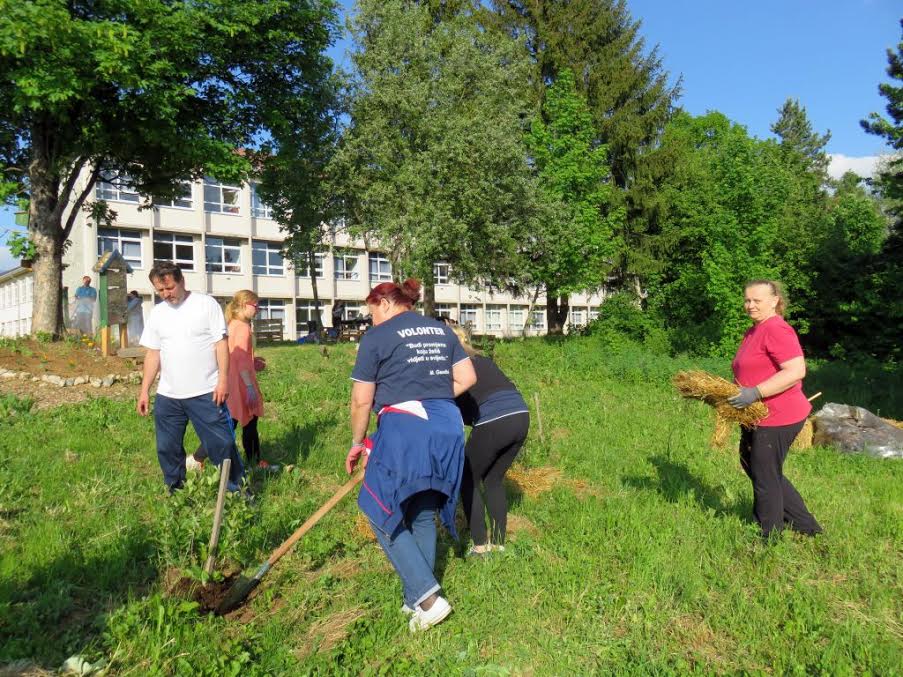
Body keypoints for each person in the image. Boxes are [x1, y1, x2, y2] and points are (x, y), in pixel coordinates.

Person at [345, 279, 476, 633]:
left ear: (385, 303)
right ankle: (414, 597)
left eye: (372, 312)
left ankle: (430, 600)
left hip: (407, 427)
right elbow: (467, 377)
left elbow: (361, 400)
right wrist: (432, 395)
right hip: (448, 425)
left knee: (378, 507)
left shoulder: (377, 337)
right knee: (422, 510)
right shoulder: (441, 330)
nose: (371, 320)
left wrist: (358, 442)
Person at [136, 262, 244, 493]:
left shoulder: (205, 305)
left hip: (206, 392)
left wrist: (223, 380)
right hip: (168, 396)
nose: (166, 294)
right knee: (167, 448)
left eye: (170, 288)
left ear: (182, 281)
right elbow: (153, 353)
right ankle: (176, 491)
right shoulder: (158, 313)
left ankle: (237, 491)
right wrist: (145, 390)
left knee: (222, 444)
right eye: (160, 290)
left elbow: (221, 344)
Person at [728, 279, 822, 540]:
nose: (750, 305)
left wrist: (755, 392)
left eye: (757, 300)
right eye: (747, 300)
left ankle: (769, 536)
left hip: (778, 415)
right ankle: (805, 526)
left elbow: (796, 371)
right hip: (756, 414)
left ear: (774, 301)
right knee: (757, 467)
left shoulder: (776, 329)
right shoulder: (754, 330)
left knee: (764, 474)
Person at [449, 325, 529, 556]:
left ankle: (480, 546)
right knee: (493, 479)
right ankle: (499, 544)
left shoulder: (455, 369)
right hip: (521, 415)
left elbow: (461, 411)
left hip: (494, 419)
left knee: (468, 479)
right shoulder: (483, 360)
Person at [222, 290, 267, 468]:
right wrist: (249, 386)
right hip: (242, 383)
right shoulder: (242, 328)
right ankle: (255, 462)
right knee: (249, 422)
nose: (258, 309)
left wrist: (252, 361)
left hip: (233, 380)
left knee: (230, 423)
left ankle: (200, 458)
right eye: (255, 306)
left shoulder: (232, 324)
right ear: (243, 305)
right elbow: (241, 360)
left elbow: (236, 356)